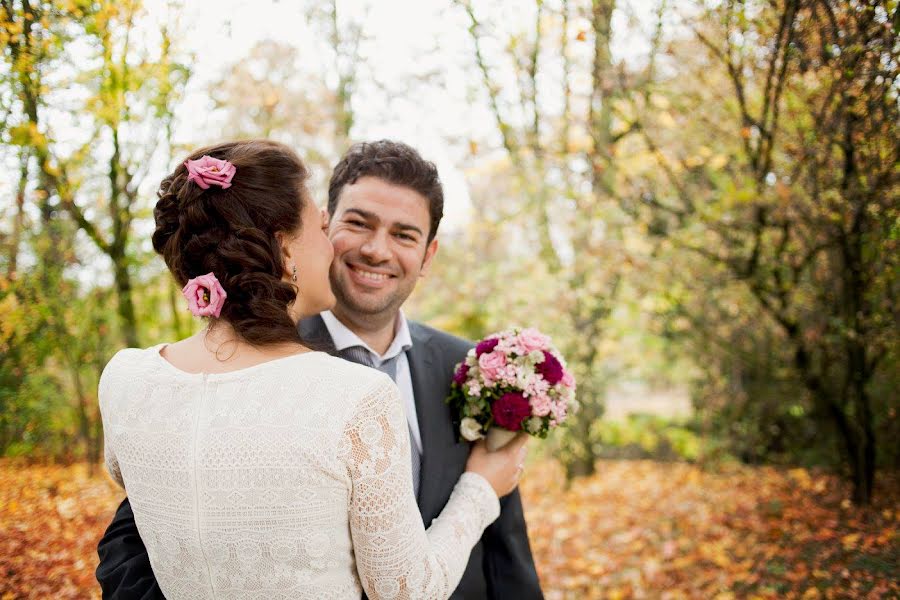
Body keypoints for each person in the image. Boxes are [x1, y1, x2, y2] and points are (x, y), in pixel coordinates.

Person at [96, 139, 529, 599]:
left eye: (404, 235)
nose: (376, 250)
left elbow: (507, 556)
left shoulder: (471, 367)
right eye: (348, 224)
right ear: (287, 247)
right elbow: (145, 531)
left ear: (428, 254)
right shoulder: (353, 394)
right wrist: (480, 489)